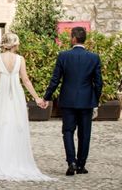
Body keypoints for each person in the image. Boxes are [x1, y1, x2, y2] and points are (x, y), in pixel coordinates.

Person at [0, 32, 53, 181]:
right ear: (14, 44)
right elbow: (25, 80)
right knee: (15, 124)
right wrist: (37, 98)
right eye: (17, 42)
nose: (19, 45)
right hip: (16, 95)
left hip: (2, 94)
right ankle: (13, 159)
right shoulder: (20, 59)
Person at [42, 26, 103, 176]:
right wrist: (95, 99)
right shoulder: (94, 58)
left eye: (70, 37)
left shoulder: (63, 56)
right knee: (85, 134)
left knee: (68, 131)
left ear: (74, 39)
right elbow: (99, 83)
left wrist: (46, 97)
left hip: (68, 101)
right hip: (87, 101)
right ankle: (81, 165)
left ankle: (72, 162)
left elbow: (55, 80)